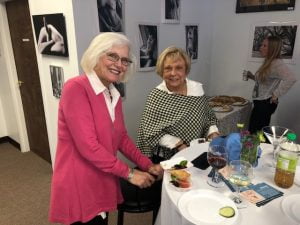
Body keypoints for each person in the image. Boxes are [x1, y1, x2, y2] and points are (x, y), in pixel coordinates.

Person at [49, 33, 163, 225]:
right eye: (112, 56)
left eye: (125, 60)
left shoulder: (112, 93)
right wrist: (130, 173)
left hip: (103, 175)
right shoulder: (76, 89)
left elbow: (121, 138)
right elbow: (89, 146)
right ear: (96, 55)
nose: (119, 64)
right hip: (78, 182)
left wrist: (147, 164)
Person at [137, 46, 220, 163]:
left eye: (179, 68)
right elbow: (151, 132)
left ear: (186, 70)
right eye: (168, 68)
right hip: (166, 158)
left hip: (195, 152)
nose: (173, 73)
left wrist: (213, 134)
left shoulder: (197, 90)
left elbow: (209, 118)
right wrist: (179, 145)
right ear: (161, 71)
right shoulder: (156, 96)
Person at [244, 36, 297, 134]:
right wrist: (251, 76)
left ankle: (257, 149)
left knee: (256, 132)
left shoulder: (276, 63)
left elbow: (291, 78)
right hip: (261, 102)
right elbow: (263, 80)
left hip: (264, 103)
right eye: (261, 45)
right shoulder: (269, 61)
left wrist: (275, 94)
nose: (261, 47)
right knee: (257, 131)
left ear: (272, 48)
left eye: (265, 46)